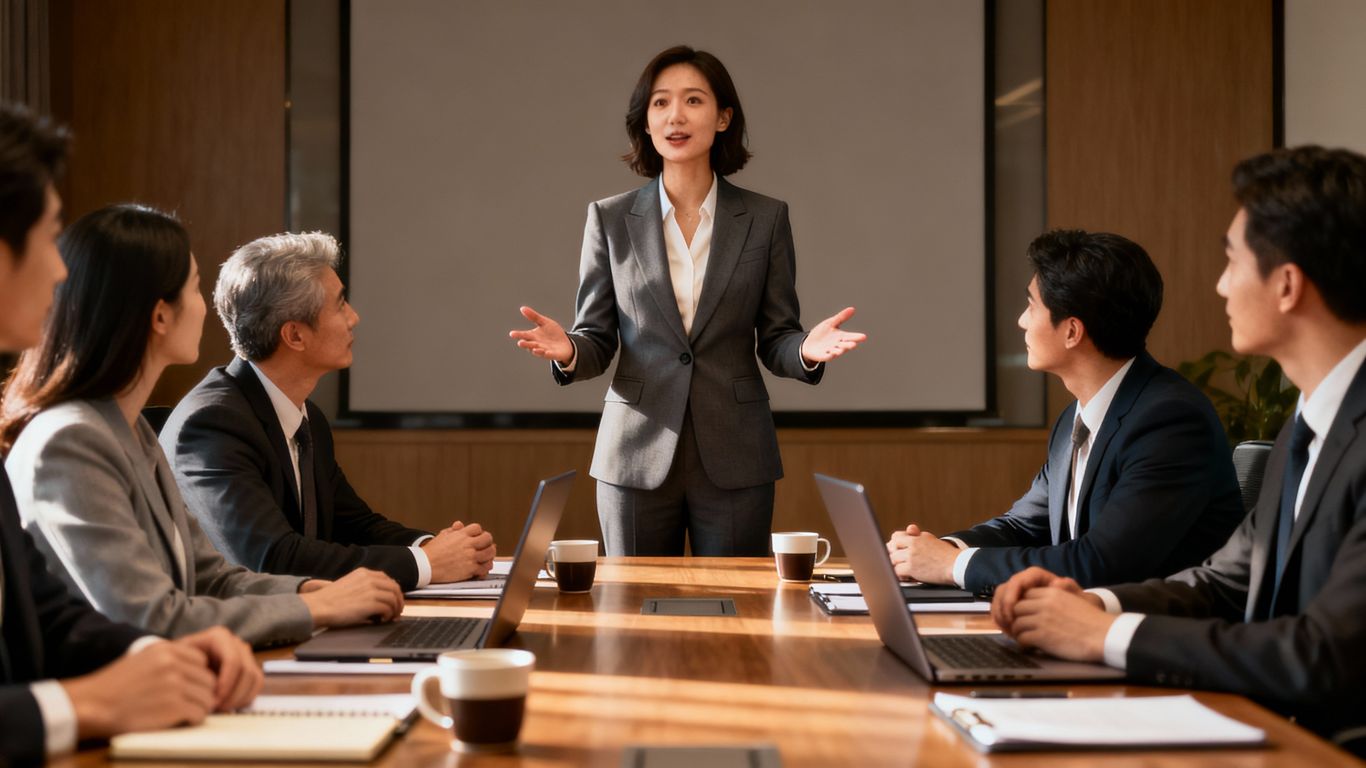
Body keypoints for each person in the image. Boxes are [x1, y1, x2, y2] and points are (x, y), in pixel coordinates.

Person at [991, 146, 1366, 756]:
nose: (1219, 285)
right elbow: (1224, 583)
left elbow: (1321, 656)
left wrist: (1106, 635)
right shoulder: (1310, 418)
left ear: (1288, 284)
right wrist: (1088, 603)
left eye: (1231, 261)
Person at [509, 46, 866, 556]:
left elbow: (778, 337)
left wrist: (807, 348)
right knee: (629, 618)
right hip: (633, 450)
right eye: (660, 103)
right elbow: (596, 339)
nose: (675, 116)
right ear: (645, 121)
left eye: (693, 100)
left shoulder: (765, 219)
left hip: (737, 450)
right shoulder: (609, 220)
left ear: (723, 117)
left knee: (740, 619)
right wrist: (567, 349)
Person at [1, 204, 405, 647]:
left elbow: (208, 577)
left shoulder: (129, 430)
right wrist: (316, 608)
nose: (208, 308)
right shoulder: (70, 440)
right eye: (195, 289)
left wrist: (312, 591)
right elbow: (150, 616)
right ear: (159, 317)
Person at [0, 103, 259, 765]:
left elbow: (45, 611)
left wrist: (150, 657)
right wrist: (83, 704)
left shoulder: (136, 430)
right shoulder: (68, 437)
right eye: (47, 235)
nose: (61, 274)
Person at [886, 230, 1244, 593]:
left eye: (1031, 306)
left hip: (1158, 640)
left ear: (1072, 331)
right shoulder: (1077, 416)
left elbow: (1101, 564)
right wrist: (938, 551)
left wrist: (952, 566)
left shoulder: (1169, 422)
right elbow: (1024, 526)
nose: (1022, 322)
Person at [159, 232, 495, 590]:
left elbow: (355, 524)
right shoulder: (212, 424)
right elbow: (272, 558)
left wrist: (435, 547)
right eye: (340, 304)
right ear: (295, 336)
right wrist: (426, 564)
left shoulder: (307, 418)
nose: (354, 317)